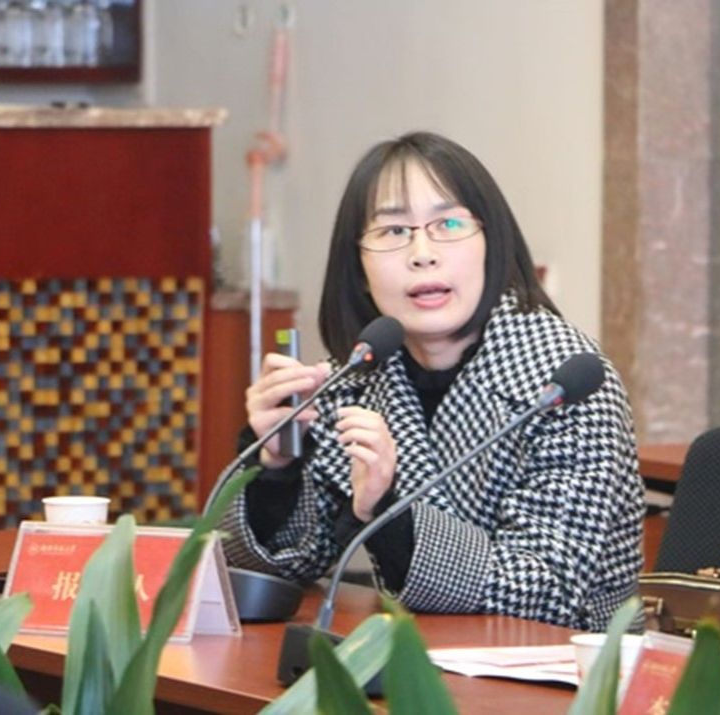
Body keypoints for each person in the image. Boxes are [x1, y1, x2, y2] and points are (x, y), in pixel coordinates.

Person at [220, 131, 644, 631]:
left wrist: (386, 511)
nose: (422, 253)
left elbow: (546, 593)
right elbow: (279, 570)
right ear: (358, 268)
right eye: (394, 231)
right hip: (413, 654)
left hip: (569, 669)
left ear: (493, 245)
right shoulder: (356, 381)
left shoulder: (567, 383)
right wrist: (275, 466)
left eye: (448, 224)